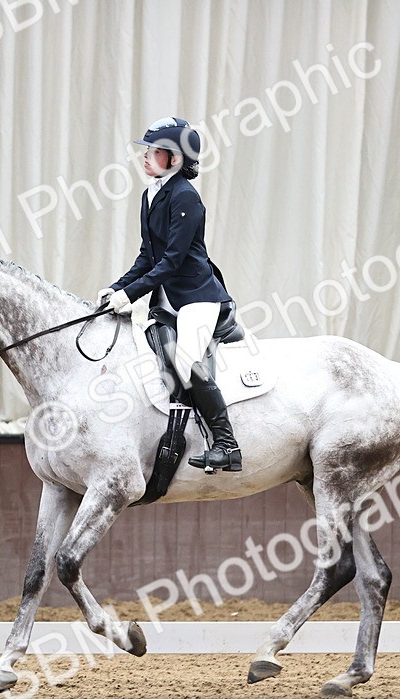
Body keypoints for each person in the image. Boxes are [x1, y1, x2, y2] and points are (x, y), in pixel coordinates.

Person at [98, 117, 242, 473]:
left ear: (175, 159)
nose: (145, 157)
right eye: (145, 150)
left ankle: (227, 444)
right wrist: (118, 287)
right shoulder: (151, 194)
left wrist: (130, 294)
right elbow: (148, 256)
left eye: (154, 151)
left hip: (197, 296)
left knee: (184, 360)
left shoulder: (185, 197)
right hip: (166, 300)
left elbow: (172, 261)